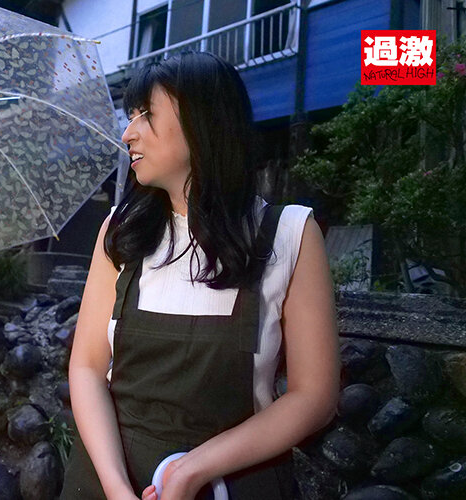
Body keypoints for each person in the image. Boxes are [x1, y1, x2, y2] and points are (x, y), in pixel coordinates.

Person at [61, 52, 340, 500]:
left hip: (238, 485)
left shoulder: (289, 233)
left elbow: (314, 397)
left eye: (145, 115)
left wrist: (191, 471)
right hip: (105, 481)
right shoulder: (121, 231)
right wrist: (116, 488)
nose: (128, 133)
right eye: (130, 117)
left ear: (203, 121)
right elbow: (87, 368)